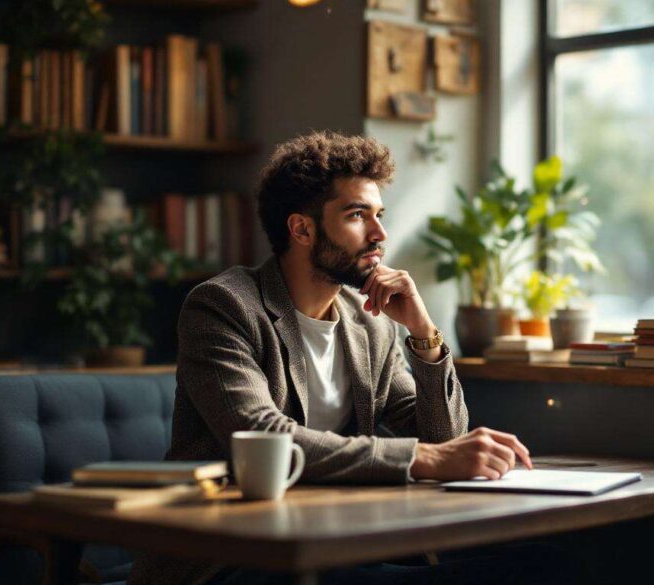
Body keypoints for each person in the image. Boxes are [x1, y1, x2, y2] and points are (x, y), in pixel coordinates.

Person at [128, 131, 545, 585]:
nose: (380, 234)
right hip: (231, 559)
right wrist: (423, 459)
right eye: (357, 215)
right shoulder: (222, 306)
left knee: (542, 561)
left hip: (338, 541)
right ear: (302, 229)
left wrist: (424, 333)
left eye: (379, 215)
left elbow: (441, 436)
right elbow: (264, 435)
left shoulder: (371, 325)